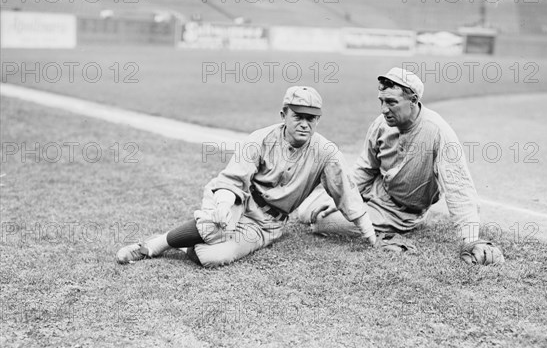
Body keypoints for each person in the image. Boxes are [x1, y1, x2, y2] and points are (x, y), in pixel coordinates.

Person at [116, 86, 377, 267]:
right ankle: (153, 246)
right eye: (298, 116)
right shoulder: (261, 139)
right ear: (283, 115)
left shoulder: (325, 152)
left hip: (267, 224)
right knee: (214, 226)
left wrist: (366, 227)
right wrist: (224, 204)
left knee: (213, 257)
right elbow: (233, 179)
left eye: (312, 118)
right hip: (242, 202)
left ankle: (186, 244)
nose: (305, 124)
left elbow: (345, 191)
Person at [298, 68, 487, 259]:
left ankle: (388, 233)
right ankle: (358, 214)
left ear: (413, 100)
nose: (384, 109)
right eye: (381, 101)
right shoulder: (381, 124)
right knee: (306, 211)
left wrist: (470, 240)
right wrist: (343, 198)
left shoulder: (437, 132)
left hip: (401, 212)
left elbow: (459, 188)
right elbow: (365, 169)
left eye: (391, 102)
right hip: (373, 194)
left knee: (322, 222)